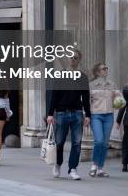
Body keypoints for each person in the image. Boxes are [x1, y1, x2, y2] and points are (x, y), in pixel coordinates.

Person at [46, 50, 90, 180]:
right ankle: (58, 164)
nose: (73, 59)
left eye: (75, 58)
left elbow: (86, 97)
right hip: (61, 113)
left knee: (77, 142)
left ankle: (72, 169)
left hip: (77, 113)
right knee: (59, 142)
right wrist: (50, 114)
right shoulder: (60, 75)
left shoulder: (83, 77)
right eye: (71, 57)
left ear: (79, 60)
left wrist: (88, 115)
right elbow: (54, 95)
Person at [88, 62, 121, 177]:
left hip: (108, 116)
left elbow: (119, 98)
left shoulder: (112, 84)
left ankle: (100, 168)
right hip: (96, 115)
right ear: (97, 72)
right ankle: (94, 165)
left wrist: (119, 100)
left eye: (107, 68)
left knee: (105, 143)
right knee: (99, 141)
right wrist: (86, 116)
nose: (106, 70)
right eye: (103, 68)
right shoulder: (91, 85)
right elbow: (86, 102)